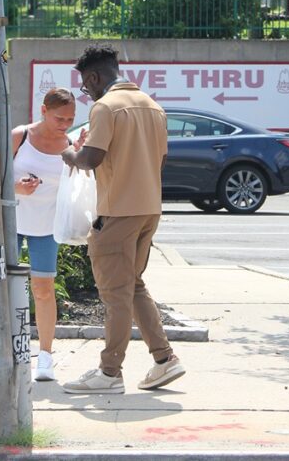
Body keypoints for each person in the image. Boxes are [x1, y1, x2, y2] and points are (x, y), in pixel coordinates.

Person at [59, 44, 185, 394]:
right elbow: (159, 160)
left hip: (116, 212)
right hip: (149, 208)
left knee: (114, 293)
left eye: (86, 86)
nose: (87, 93)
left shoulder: (106, 107)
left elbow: (90, 159)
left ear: (95, 77)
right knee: (133, 286)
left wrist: (69, 152)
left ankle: (109, 372)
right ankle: (164, 359)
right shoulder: (152, 106)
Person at [11, 87, 80, 382]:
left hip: (47, 226)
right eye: (59, 118)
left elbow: (80, 185)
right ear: (43, 110)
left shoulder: (71, 143)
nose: (64, 124)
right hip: (11, 222)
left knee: (43, 289)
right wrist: (16, 187)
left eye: (70, 119)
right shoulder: (20, 136)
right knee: (5, 289)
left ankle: (46, 356)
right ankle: (10, 351)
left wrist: (82, 156)